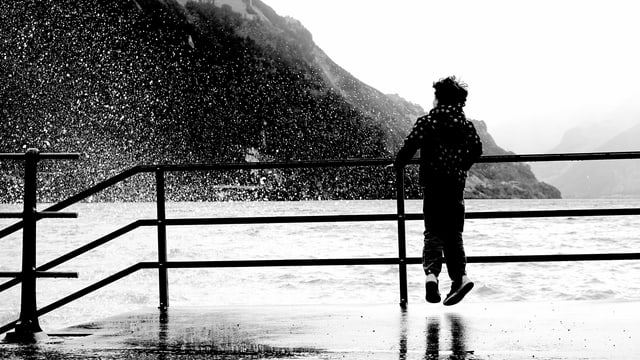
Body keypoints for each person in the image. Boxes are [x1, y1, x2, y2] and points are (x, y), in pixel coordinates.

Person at [394, 76, 483, 306]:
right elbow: (476, 149)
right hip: (455, 187)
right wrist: (461, 166)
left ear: (438, 98)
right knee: (454, 235)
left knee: (433, 233)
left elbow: (408, 147)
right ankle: (460, 279)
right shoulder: (465, 125)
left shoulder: (427, 122)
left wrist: (397, 164)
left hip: (433, 187)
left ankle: (432, 276)